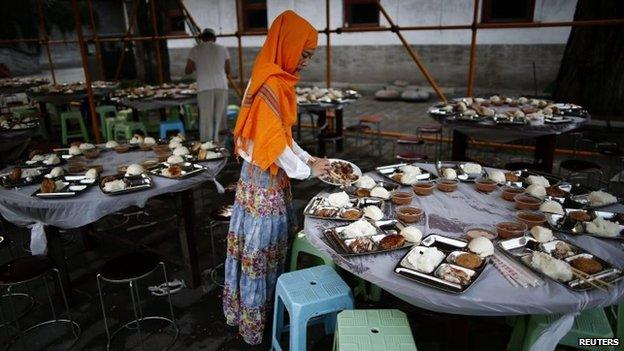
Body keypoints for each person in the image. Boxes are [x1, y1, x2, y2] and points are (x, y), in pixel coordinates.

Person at [222, 10, 329, 345]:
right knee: (260, 253)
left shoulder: (273, 78)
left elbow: (281, 138)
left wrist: (310, 158)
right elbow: (271, 148)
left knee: (263, 254)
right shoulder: (270, 83)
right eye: (305, 53)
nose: (306, 62)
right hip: (262, 189)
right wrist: (307, 170)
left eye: (310, 56)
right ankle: (256, 325)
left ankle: (261, 314)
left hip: (263, 185)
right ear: (289, 45)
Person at [185, 28, 231, 142]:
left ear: (202, 38)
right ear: (214, 38)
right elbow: (228, 70)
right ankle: (220, 143)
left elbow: (188, 70)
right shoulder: (223, 49)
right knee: (220, 117)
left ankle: (207, 144)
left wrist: (199, 66)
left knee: (206, 117)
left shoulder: (196, 49)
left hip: (204, 86)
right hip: (221, 85)